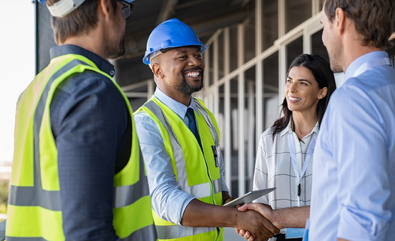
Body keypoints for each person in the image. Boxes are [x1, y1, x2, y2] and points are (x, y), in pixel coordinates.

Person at [6, 0, 157, 240]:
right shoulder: (92, 93)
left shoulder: (34, 90)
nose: (124, 20)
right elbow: (88, 233)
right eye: (124, 8)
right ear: (106, 6)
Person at [134, 18, 279, 241]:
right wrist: (235, 219)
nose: (196, 62)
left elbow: (214, 181)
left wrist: (236, 207)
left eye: (198, 55)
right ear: (157, 69)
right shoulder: (146, 123)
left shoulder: (203, 114)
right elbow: (164, 198)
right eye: (183, 56)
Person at [309, 0, 395, 240]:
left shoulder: (353, 98)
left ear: (340, 19)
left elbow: (360, 226)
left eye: (323, 25)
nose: (323, 38)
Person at [251, 53, 336, 241]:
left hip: (325, 236)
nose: (292, 89)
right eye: (289, 81)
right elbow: (260, 199)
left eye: (303, 83)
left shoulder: (335, 138)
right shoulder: (269, 139)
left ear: (322, 92)